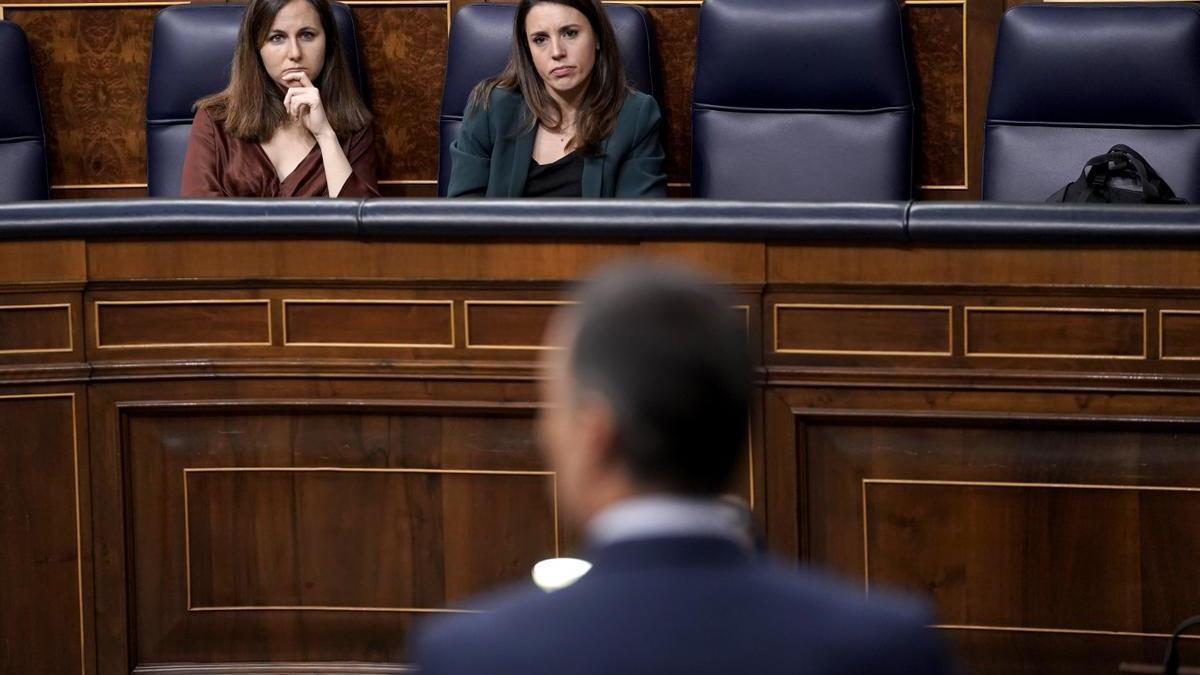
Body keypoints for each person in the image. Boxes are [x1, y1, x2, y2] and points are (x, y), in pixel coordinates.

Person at [413, 262, 955, 675]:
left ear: (595, 433)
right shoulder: (889, 647)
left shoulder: (473, 657)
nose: (540, 433)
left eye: (551, 408)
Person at [447, 0, 667, 198]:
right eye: (540, 39)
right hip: (500, 244)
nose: (556, 52)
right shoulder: (489, 106)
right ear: (528, 50)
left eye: (570, 33)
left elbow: (638, 224)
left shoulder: (636, 115)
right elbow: (463, 214)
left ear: (597, 37)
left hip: (597, 244)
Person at [180, 0, 378, 198]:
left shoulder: (354, 126)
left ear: (328, 42)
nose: (295, 53)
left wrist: (326, 136)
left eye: (307, 35)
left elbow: (359, 222)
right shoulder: (213, 122)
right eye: (277, 38)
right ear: (256, 47)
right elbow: (197, 221)